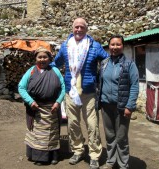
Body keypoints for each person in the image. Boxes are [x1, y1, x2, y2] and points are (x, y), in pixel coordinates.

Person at [53, 18, 109, 169]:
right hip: (70, 92)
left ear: (86, 29)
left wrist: (100, 78)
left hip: (89, 92)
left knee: (92, 124)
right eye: (76, 27)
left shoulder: (94, 46)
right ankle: (77, 150)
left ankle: (94, 155)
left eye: (81, 27)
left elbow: (107, 61)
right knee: (73, 123)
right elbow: (55, 63)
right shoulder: (65, 46)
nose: (78, 29)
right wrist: (40, 68)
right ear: (72, 29)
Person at [97, 35, 139, 169]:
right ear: (109, 46)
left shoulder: (129, 64)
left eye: (118, 45)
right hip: (106, 105)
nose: (115, 47)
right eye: (112, 45)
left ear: (123, 46)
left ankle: (123, 164)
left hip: (122, 106)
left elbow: (134, 86)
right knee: (109, 136)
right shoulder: (104, 63)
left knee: (121, 137)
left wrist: (130, 106)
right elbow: (100, 82)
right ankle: (110, 161)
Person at [18, 47, 65, 166]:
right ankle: (39, 158)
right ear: (35, 59)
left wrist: (58, 102)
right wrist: (30, 102)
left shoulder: (55, 70)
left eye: (45, 57)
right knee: (38, 135)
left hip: (52, 108)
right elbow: (21, 87)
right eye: (40, 57)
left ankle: (53, 156)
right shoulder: (31, 71)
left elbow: (63, 87)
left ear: (49, 59)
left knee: (52, 134)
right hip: (36, 108)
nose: (42, 59)